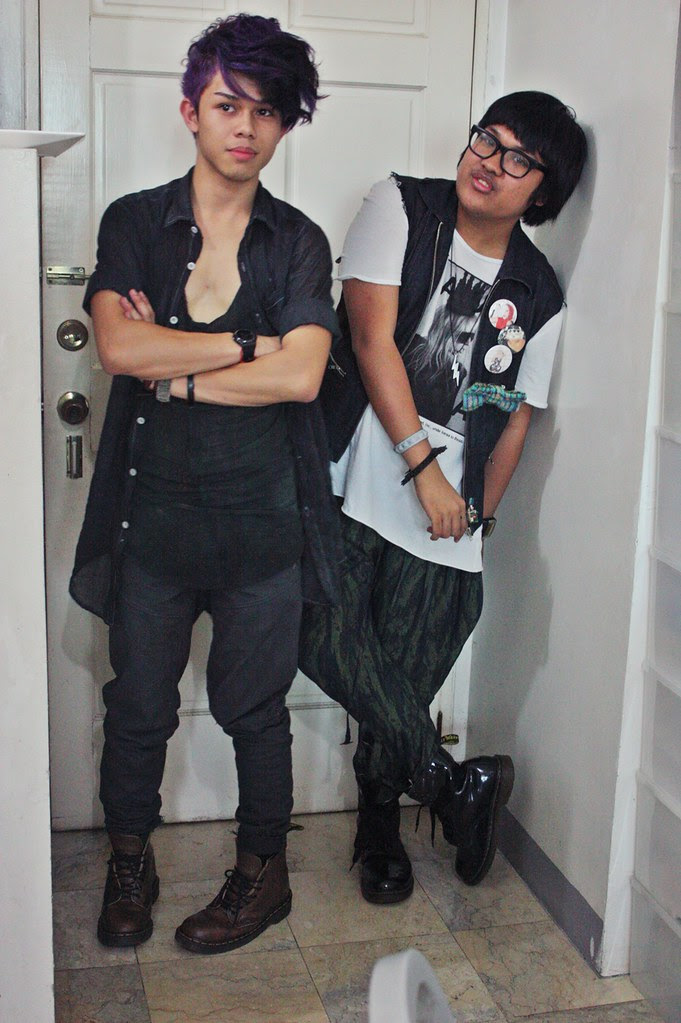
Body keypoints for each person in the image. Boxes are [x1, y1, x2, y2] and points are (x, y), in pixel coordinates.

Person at [69, 13, 340, 953]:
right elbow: (118, 347)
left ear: (284, 125)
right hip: (153, 518)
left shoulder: (298, 241)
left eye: (266, 111)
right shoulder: (134, 222)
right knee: (138, 706)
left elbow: (302, 376)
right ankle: (129, 862)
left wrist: (177, 369)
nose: (246, 127)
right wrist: (250, 344)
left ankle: (262, 876)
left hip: (263, 524)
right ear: (191, 110)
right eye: (228, 104)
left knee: (254, 712)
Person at [300, 92, 587, 904]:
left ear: (543, 191)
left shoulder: (538, 290)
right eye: (485, 140)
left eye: (516, 158)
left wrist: (477, 515)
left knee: (399, 677)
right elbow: (370, 340)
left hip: (447, 511)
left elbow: (512, 411)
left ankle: (380, 825)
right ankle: (453, 784)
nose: (488, 163)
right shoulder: (402, 207)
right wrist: (422, 466)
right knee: (311, 629)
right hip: (353, 470)